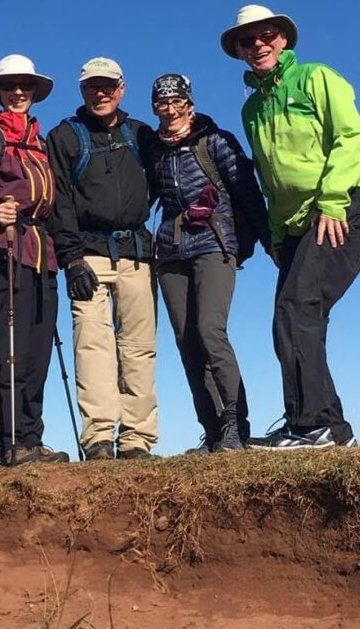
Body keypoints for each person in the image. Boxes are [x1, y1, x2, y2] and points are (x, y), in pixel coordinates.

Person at [220, 5, 360, 449]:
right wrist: (274, 233)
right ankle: (331, 427)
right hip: (292, 227)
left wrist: (331, 203)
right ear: (239, 51)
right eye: (247, 41)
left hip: (341, 205)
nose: (258, 46)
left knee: (294, 311)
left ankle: (309, 425)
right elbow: (270, 177)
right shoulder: (252, 108)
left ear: (283, 39)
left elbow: (351, 138)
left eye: (266, 36)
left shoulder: (315, 78)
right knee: (302, 316)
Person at [148, 74, 271, 452]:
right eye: (161, 103)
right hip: (170, 251)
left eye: (176, 102)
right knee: (187, 342)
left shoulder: (216, 142)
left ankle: (237, 425)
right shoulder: (153, 149)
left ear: (189, 103)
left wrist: (267, 242)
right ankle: (213, 430)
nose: (169, 110)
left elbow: (248, 194)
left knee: (210, 331)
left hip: (214, 245)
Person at [46, 57, 158, 460]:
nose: (101, 93)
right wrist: (71, 259)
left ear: (122, 87)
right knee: (91, 346)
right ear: (82, 91)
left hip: (138, 256)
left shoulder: (142, 134)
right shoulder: (65, 136)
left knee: (139, 347)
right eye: (92, 86)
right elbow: (59, 201)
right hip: (88, 257)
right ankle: (98, 438)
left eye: (108, 85)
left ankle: (136, 439)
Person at [0, 54, 69, 467]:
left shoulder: (40, 145)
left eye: (25, 86)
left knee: (35, 350)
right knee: (0, 350)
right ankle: (2, 446)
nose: (18, 93)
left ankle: (28, 436)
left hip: (42, 255)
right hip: (0, 253)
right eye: (10, 87)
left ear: (35, 93)